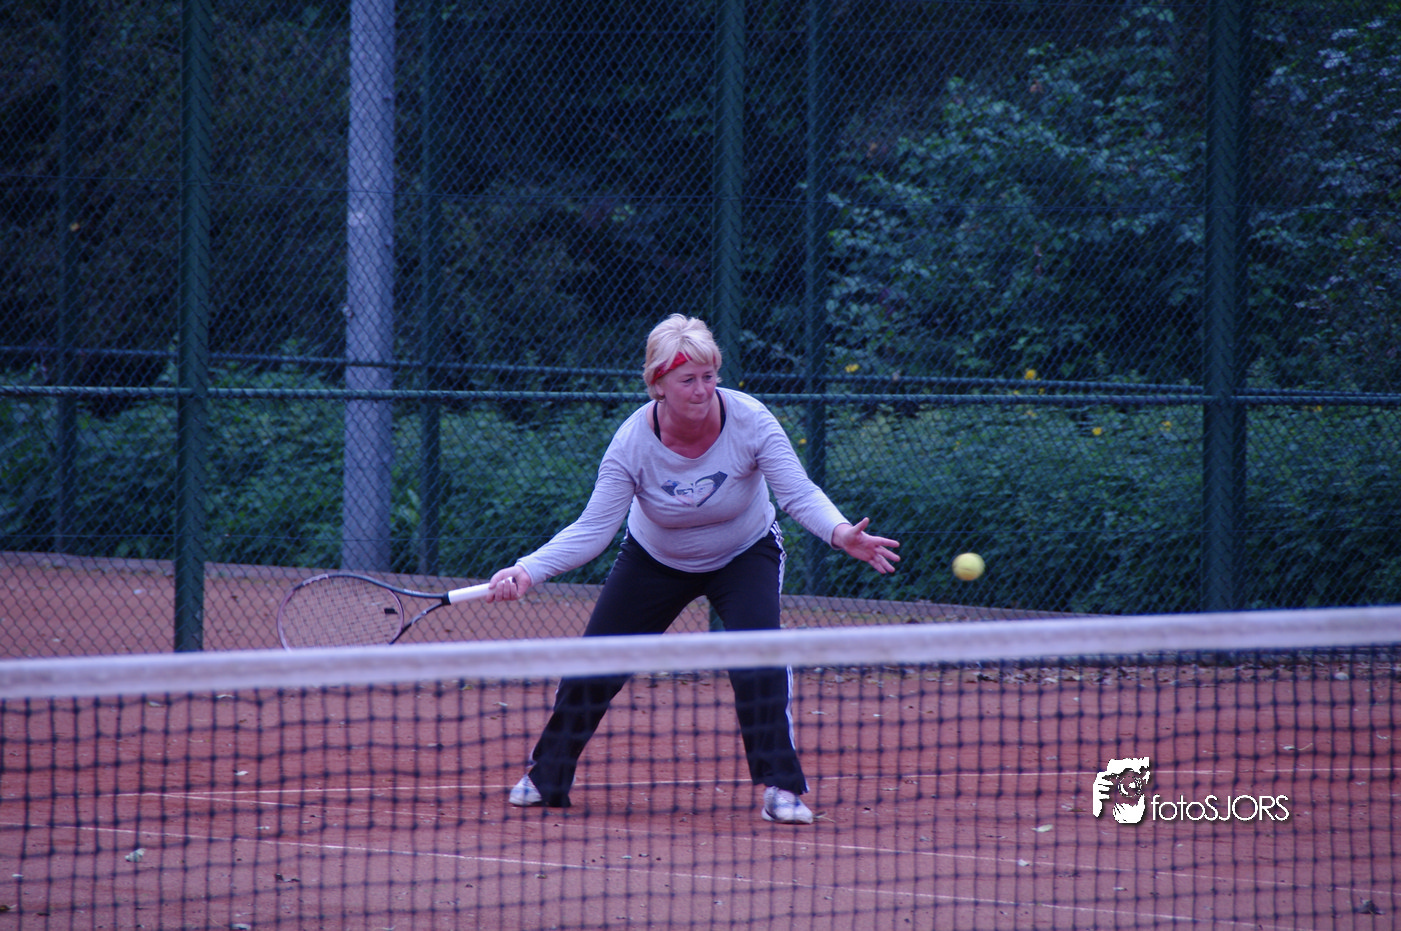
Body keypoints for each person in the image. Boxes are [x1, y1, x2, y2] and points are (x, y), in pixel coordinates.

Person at [485, 314, 900, 825]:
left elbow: (797, 493)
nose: (702, 389)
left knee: (758, 655)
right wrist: (529, 570)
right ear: (658, 385)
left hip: (744, 552)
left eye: (709, 376)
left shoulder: (751, 421)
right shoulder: (631, 444)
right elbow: (594, 529)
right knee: (596, 661)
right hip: (654, 559)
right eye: (688, 380)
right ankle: (547, 775)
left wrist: (840, 532)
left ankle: (781, 787)